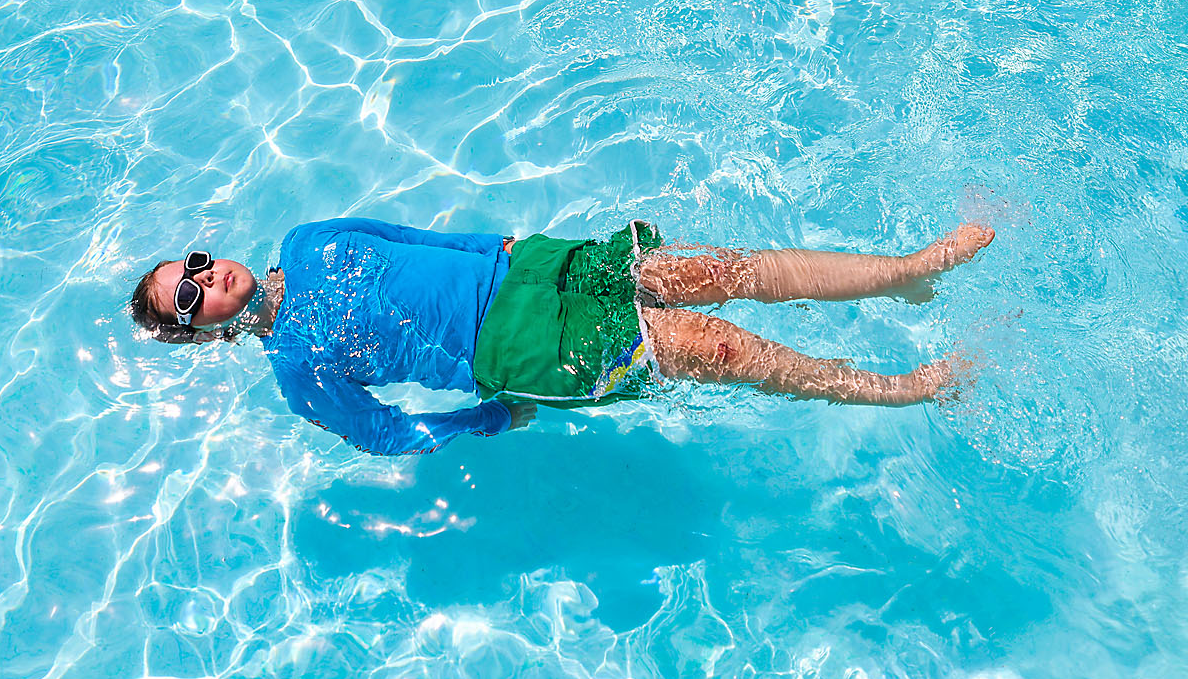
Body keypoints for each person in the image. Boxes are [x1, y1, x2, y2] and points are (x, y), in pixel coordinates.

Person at [130, 217, 995, 456]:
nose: (207, 279)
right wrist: (487, 418)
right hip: (511, 350)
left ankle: (906, 271)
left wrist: (506, 247)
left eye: (194, 264)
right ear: (198, 332)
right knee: (716, 348)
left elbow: (418, 238)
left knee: (717, 270)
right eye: (188, 298)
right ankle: (902, 388)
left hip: (525, 267)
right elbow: (385, 434)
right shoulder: (296, 366)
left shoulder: (306, 240)